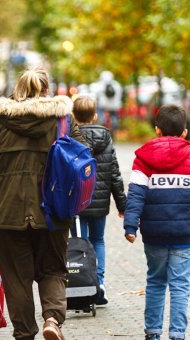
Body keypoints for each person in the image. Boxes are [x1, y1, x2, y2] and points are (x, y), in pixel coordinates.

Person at [0, 67, 85, 340]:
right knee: (53, 269)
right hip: (53, 210)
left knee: (15, 276)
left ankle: (24, 333)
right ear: (47, 89)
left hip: (7, 211)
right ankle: (52, 319)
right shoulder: (63, 121)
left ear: (18, 89)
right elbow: (83, 160)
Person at [123, 104, 190, 340]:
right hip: (184, 235)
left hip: (154, 235)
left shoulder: (143, 160)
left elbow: (136, 194)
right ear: (184, 132)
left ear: (157, 130)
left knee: (155, 282)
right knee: (180, 285)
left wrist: (130, 226)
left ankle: (152, 333)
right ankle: (177, 334)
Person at [70, 95, 127, 307]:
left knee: (79, 243)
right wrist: (122, 205)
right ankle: (99, 284)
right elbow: (114, 173)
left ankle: (80, 284)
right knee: (98, 240)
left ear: (73, 116)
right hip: (99, 201)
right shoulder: (105, 138)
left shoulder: (68, 138)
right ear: (95, 115)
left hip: (75, 202)